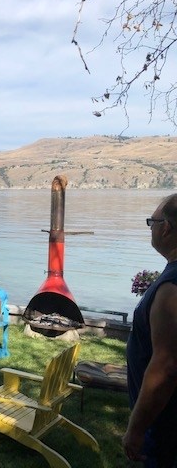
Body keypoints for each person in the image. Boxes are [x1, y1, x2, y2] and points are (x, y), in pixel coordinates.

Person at [123, 194, 177, 467]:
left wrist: (137, 428)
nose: (151, 228)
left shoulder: (170, 289)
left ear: (166, 227)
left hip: (165, 427)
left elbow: (166, 366)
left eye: (151, 222)